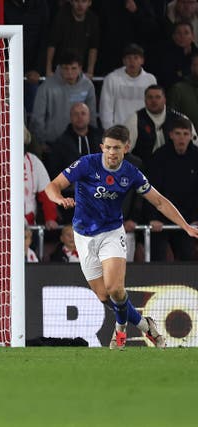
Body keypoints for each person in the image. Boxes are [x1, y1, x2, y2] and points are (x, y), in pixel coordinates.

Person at [45, 125, 198, 349]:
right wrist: (59, 199)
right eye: (108, 147)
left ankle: (120, 329)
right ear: (102, 147)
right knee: (103, 296)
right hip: (84, 235)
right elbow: (52, 186)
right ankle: (145, 325)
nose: (112, 152)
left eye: (117, 148)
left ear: (126, 148)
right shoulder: (87, 164)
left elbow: (159, 201)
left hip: (111, 232)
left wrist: (184, 225)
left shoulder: (131, 173)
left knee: (115, 289)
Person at [144, 117, 198, 261]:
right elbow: (148, 190)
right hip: (161, 220)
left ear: (191, 136)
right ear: (171, 135)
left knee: (188, 257)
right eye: (178, 133)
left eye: (186, 134)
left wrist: (195, 219)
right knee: (159, 257)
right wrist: (152, 218)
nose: (182, 138)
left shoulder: (196, 157)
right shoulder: (159, 157)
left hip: (187, 220)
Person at [99, 44, 157, 130]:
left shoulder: (150, 79)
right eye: (129, 58)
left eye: (136, 58)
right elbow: (106, 108)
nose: (132, 61)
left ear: (142, 60)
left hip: (143, 131)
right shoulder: (112, 79)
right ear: (124, 61)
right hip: (119, 131)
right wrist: (110, 131)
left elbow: (154, 106)